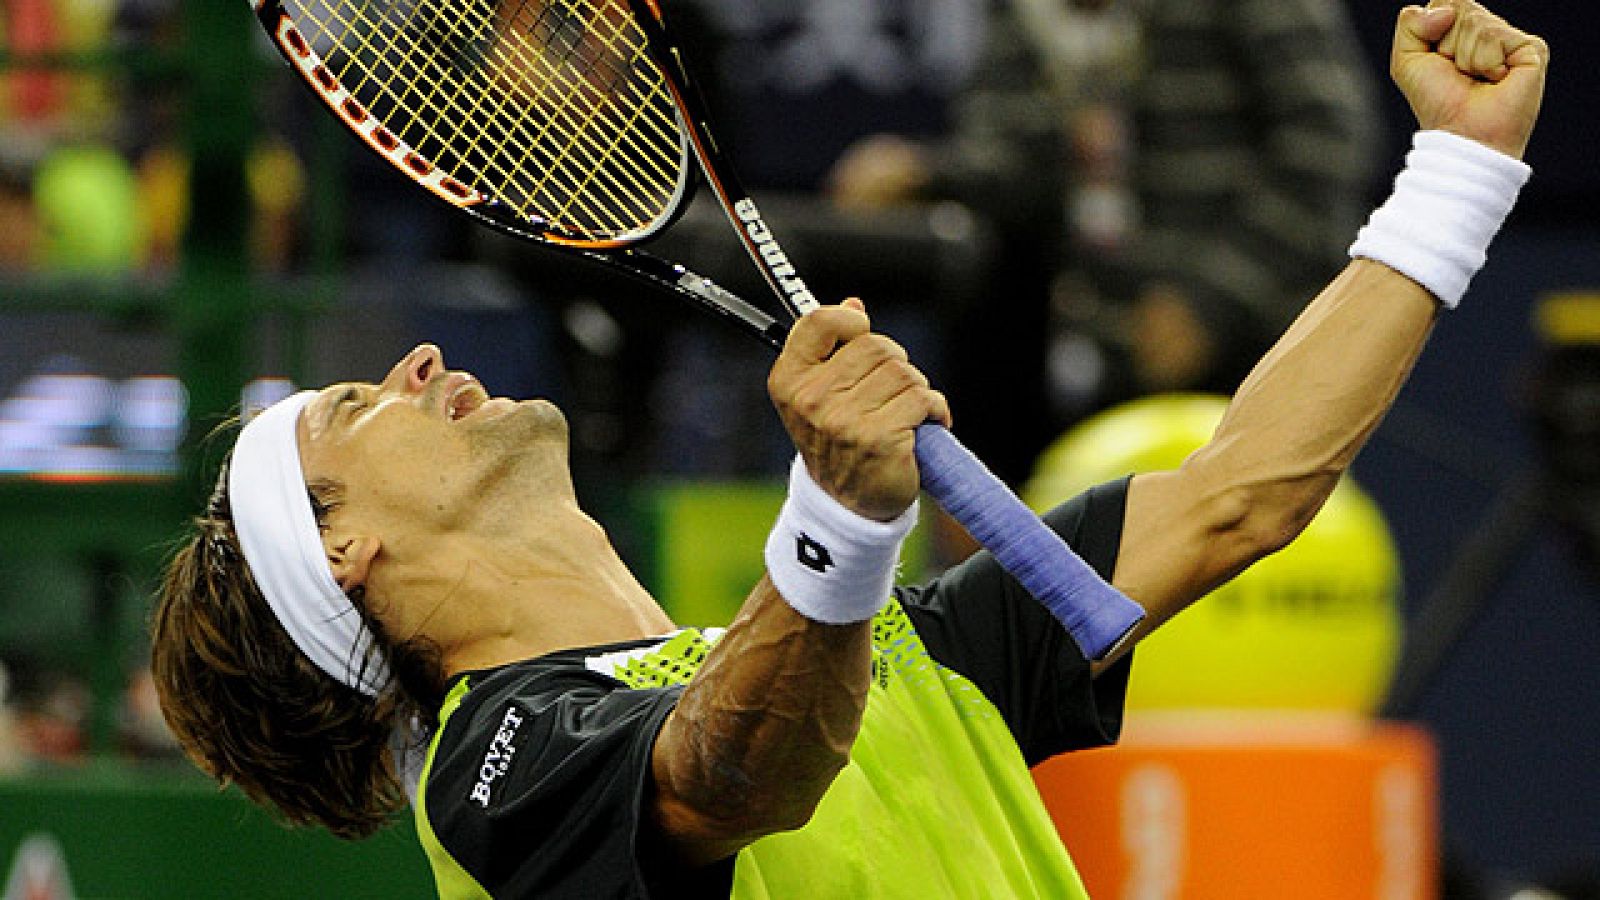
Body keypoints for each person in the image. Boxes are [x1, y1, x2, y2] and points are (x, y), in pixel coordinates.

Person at [150, 2, 1547, 896]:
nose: (416, 367)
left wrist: (1459, 173)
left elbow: (1238, 494)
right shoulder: (492, 778)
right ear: (346, 550)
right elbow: (732, 772)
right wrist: (839, 518)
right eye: (352, 409)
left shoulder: (907, 653)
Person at [830, 0, 1380, 477]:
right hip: (1087, 362)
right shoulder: (1021, 15)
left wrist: (1212, 305)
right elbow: (1019, 160)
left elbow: (1326, 140)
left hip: (1250, 363)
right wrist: (924, 173)